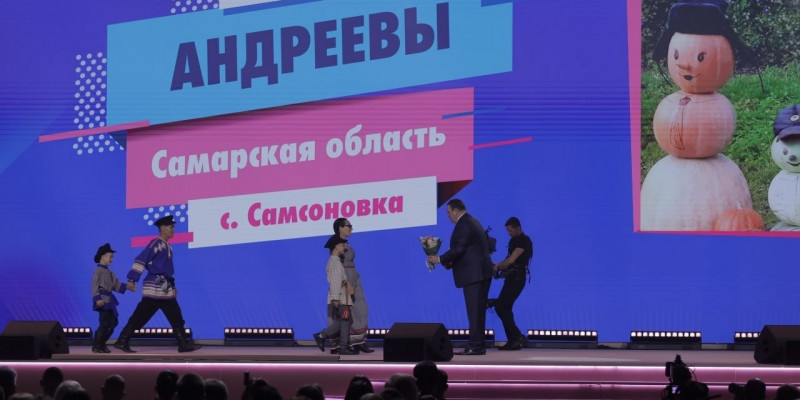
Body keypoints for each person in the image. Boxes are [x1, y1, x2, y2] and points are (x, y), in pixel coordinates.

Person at [114, 215, 201, 353]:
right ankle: (122, 340)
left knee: (175, 315)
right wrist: (132, 279)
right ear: (163, 228)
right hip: (154, 288)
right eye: (171, 227)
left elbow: (167, 272)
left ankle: (183, 344)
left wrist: (172, 287)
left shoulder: (168, 246)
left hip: (164, 288)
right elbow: (141, 260)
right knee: (142, 315)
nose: (173, 229)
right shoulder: (156, 244)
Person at [427, 199, 493, 355]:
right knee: (477, 312)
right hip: (480, 273)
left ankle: (475, 345)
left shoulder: (464, 224)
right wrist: (451, 262)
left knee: (475, 312)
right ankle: (477, 344)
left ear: (456, 211)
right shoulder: (471, 221)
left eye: (449, 212)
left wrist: (439, 259)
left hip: (475, 275)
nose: (448, 216)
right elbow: (468, 251)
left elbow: (459, 249)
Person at [328, 218, 373, 354]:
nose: (351, 228)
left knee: (361, 309)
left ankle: (358, 341)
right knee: (344, 312)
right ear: (340, 228)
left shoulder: (345, 243)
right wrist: (346, 283)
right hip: (345, 278)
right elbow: (337, 266)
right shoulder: (336, 244)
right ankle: (339, 344)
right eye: (349, 226)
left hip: (353, 276)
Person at [488, 217, 533, 351]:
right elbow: (508, 259)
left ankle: (516, 337)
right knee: (504, 308)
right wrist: (496, 265)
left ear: (518, 227)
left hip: (517, 280)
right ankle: (514, 339)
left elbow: (511, 260)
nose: (509, 233)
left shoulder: (524, 241)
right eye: (507, 231)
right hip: (511, 279)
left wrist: (498, 267)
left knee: (501, 307)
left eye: (510, 230)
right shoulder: (513, 240)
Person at [313, 235, 358, 355]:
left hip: (342, 296)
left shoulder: (335, 261)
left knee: (346, 320)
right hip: (341, 297)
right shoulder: (335, 262)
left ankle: (324, 336)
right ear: (336, 247)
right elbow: (335, 282)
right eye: (342, 245)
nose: (344, 247)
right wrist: (335, 298)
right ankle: (341, 346)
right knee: (345, 320)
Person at [92, 243, 135, 353]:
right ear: (102, 257)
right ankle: (97, 345)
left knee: (113, 323)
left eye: (112, 257)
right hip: (103, 300)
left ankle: (102, 343)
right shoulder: (98, 271)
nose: (111, 259)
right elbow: (94, 285)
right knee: (104, 324)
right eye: (110, 256)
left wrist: (128, 287)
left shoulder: (110, 272)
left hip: (110, 301)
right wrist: (97, 299)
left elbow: (116, 285)